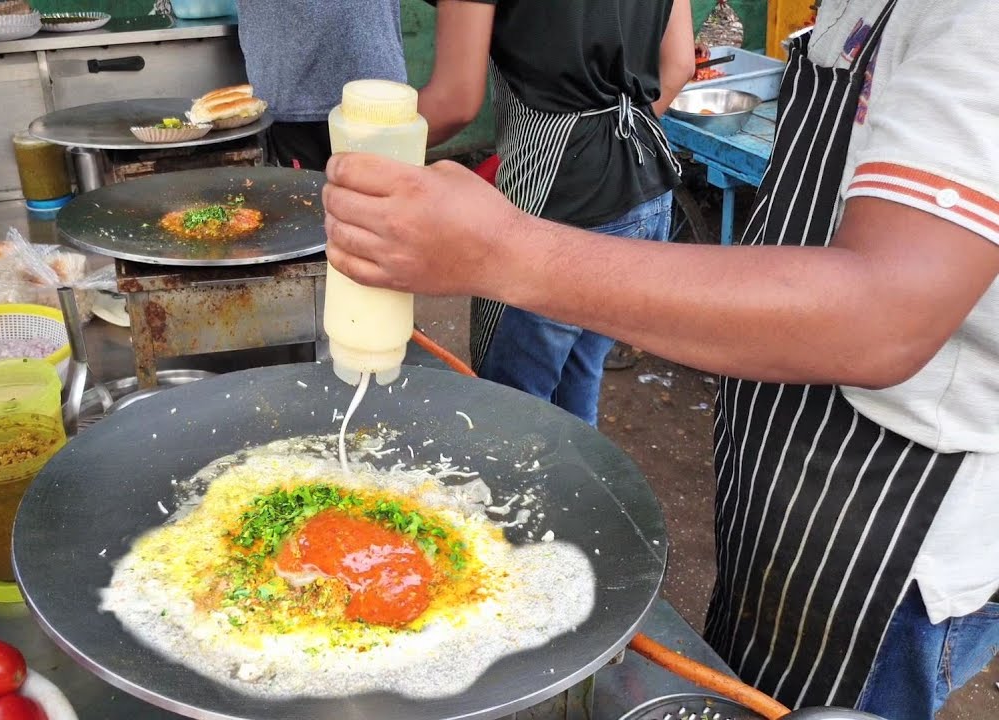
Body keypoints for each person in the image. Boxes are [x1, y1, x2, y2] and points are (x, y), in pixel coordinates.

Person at [321, 0, 999, 716]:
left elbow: (885, 316)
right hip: (775, 446)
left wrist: (502, 250)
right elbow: (675, 68)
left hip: (892, 528)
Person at [412, 0, 695, 426]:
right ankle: (583, 491)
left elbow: (454, 102)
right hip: (644, 187)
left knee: (510, 415)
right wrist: (606, 137)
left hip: (553, 199)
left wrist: (350, 144)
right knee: (578, 379)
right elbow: (679, 64)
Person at [235, 0, 405, 171]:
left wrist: (434, 94)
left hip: (380, 104)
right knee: (300, 196)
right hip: (288, 112)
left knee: (376, 193)